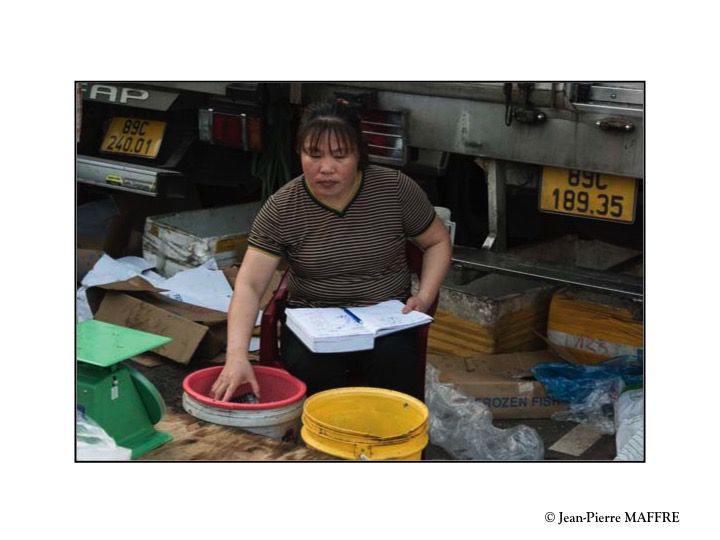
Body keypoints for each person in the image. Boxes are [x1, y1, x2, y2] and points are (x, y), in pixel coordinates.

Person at [210, 100, 452, 400]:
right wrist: (236, 356)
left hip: (385, 319)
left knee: (391, 368)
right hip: (314, 319)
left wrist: (425, 296)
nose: (326, 168)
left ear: (359, 155)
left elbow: (437, 242)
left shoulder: (395, 189)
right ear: (299, 153)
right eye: (313, 154)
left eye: (340, 155)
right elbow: (249, 284)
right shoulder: (283, 207)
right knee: (314, 372)